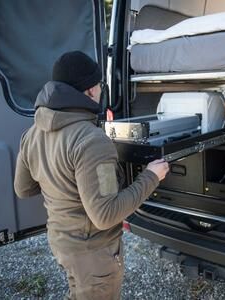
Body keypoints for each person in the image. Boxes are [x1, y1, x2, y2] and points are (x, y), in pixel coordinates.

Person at [14, 51, 169, 300]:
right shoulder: (91, 140)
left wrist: (57, 180)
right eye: (99, 84)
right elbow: (105, 215)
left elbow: (23, 188)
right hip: (93, 253)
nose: (100, 89)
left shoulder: (32, 133)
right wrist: (151, 176)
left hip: (62, 242)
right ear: (89, 91)